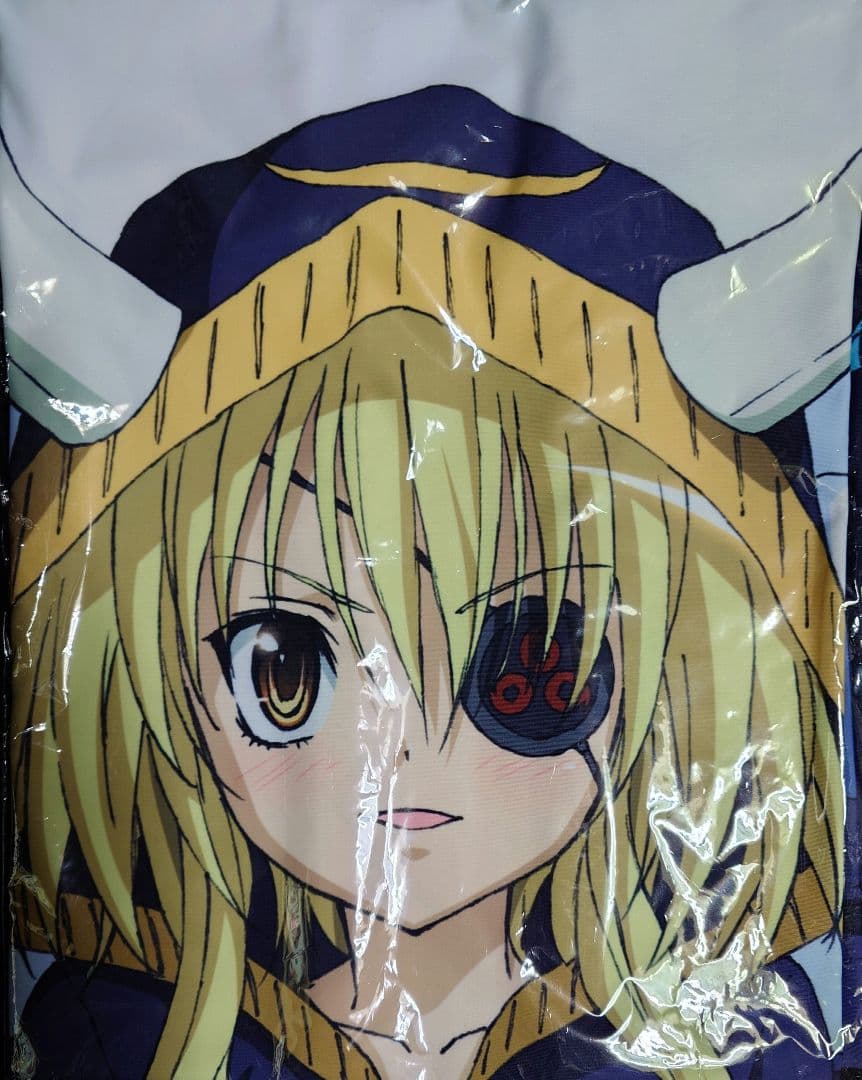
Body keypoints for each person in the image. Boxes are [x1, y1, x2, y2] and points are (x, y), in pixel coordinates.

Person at [10, 87, 842, 1079]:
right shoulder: (118, 1038)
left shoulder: (723, 1041)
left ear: (689, 672)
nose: (401, 747)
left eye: (533, 668)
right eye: (285, 671)